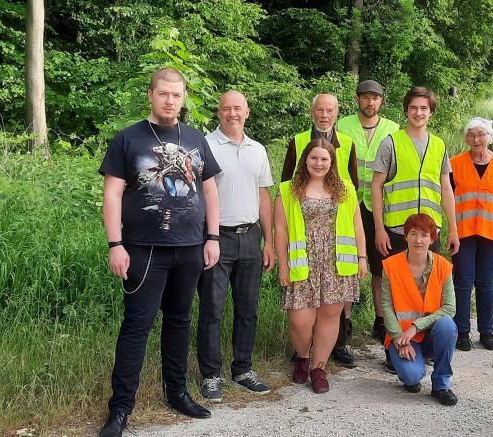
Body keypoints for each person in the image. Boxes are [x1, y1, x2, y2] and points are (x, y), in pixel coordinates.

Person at [98, 67, 221, 437]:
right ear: (150, 95)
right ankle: (120, 410)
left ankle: (177, 392)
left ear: (184, 99)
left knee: (180, 322)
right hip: (143, 250)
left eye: (177, 95)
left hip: (190, 248)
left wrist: (212, 237)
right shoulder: (128, 139)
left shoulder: (196, 138)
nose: (171, 101)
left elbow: (211, 190)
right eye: (164, 93)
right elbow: (112, 193)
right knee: (137, 327)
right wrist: (115, 244)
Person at [370, 86, 460, 372]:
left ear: (431, 113)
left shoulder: (439, 145)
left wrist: (453, 229)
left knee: (425, 291)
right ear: (406, 110)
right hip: (397, 230)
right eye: (413, 108)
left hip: (428, 232)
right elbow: (376, 186)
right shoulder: (391, 143)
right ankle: (393, 344)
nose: (418, 113)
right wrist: (379, 229)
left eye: (424, 108)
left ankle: (427, 343)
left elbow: (446, 187)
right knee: (396, 293)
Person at [196, 90, 274, 403]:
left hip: (251, 237)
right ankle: (211, 375)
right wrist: (206, 238)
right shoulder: (205, 145)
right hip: (216, 238)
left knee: (248, 309)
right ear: (219, 112)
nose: (232, 114)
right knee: (212, 309)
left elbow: (264, 196)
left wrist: (269, 241)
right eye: (226, 109)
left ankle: (242, 370)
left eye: (238, 108)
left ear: (247, 112)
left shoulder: (258, 149)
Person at [274, 139, 367, 394]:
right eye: (314, 158)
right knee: (300, 321)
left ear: (332, 162)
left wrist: (362, 258)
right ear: (305, 160)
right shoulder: (288, 189)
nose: (319, 163)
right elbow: (280, 230)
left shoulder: (345, 189)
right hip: (303, 261)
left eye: (324, 159)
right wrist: (283, 266)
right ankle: (303, 356)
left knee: (329, 317)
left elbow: (357, 226)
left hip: (337, 263)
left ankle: (319, 368)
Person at [281, 93, 360, 367]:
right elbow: (285, 182)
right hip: (304, 236)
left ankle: (328, 356)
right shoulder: (298, 140)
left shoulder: (348, 143)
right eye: (320, 110)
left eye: (330, 110)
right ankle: (302, 352)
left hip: (337, 236)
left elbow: (353, 185)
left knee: (331, 311)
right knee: (302, 314)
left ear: (337, 113)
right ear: (312, 111)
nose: (324, 115)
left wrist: (360, 254)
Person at [337, 80, 400, 343]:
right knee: (348, 264)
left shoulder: (393, 129)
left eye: (375, 98)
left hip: (379, 206)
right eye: (365, 97)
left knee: (380, 267)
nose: (370, 102)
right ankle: (345, 321)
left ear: (381, 101)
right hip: (348, 204)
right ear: (357, 100)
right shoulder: (343, 125)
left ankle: (381, 320)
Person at [449, 117, 493, 352]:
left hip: (491, 233)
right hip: (463, 232)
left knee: (485, 282)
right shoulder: (454, 164)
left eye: (481, 134)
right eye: (472, 135)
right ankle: (462, 332)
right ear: (466, 138)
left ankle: (487, 332)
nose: (476, 139)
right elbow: (448, 199)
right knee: (463, 281)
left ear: (489, 137)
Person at [381, 213, 458, 406]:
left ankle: (441, 385)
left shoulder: (443, 267)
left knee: (447, 325)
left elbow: (449, 308)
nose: (418, 240)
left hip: (431, 334)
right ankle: (412, 372)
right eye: (413, 234)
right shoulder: (390, 266)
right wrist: (399, 338)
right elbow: (387, 307)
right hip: (403, 338)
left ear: (432, 239)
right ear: (405, 236)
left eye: (424, 235)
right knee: (411, 377)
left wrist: (416, 326)